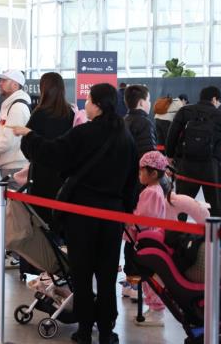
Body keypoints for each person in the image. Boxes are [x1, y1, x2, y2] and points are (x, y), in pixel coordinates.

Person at [12, 83, 138, 344]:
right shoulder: (125, 137)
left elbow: (54, 153)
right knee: (106, 275)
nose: (85, 106)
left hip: (81, 214)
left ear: (99, 105)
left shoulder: (84, 133)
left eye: (89, 101)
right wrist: (124, 210)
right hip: (112, 216)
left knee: (81, 274)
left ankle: (84, 330)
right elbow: (131, 182)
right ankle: (106, 331)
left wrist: (29, 135)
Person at [166, 86, 221, 218]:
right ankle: (214, 237)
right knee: (214, 209)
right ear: (214, 99)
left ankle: (177, 237)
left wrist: (169, 155)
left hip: (187, 166)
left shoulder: (185, 111)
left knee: (181, 207)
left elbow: (172, 134)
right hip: (211, 168)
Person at [20, 72, 75, 222]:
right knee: (60, 219)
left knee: (41, 222)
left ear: (43, 88)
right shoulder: (70, 113)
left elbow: (25, 144)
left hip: (41, 175)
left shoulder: (39, 114)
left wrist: (34, 157)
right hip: (63, 176)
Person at [125, 151, 169, 327]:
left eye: (141, 171)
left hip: (146, 240)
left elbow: (143, 219)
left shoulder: (150, 192)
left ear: (153, 173)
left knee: (149, 278)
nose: (139, 175)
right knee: (149, 277)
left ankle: (156, 312)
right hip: (151, 239)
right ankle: (153, 310)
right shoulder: (155, 190)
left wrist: (129, 219)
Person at [124, 84, 156, 159]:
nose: (150, 103)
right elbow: (149, 157)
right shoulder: (145, 124)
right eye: (148, 100)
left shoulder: (123, 121)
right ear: (141, 102)